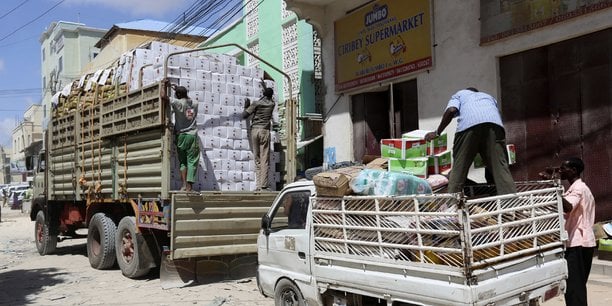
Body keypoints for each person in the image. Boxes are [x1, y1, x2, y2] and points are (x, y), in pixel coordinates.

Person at [425, 87, 516, 195]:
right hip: (495, 126)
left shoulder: (460, 94)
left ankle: (452, 204)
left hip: (468, 127)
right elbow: (496, 115)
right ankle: (510, 204)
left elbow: (451, 110)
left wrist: (437, 133)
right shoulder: (489, 97)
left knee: (459, 167)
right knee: (501, 167)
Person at [540, 157, 596, 306]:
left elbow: (568, 207)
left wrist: (554, 186)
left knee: (574, 288)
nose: (560, 171)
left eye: (563, 169)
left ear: (574, 171)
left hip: (578, 243)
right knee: (576, 287)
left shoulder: (578, 189)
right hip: (580, 243)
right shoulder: (577, 188)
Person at [162, 81, 199, 192]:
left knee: (183, 162)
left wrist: (163, 85)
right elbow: (187, 98)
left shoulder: (178, 103)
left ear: (178, 95)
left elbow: (163, 96)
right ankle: (189, 186)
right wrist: (179, 90)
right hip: (192, 136)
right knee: (192, 161)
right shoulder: (195, 103)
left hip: (181, 136)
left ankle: (183, 185)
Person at [242, 82, 277, 190]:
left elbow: (244, 115)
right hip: (264, 132)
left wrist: (246, 106)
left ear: (263, 94)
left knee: (257, 158)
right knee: (264, 159)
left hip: (254, 131)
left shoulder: (256, 103)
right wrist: (265, 87)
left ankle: (258, 185)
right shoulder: (272, 104)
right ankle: (263, 185)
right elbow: (269, 96)